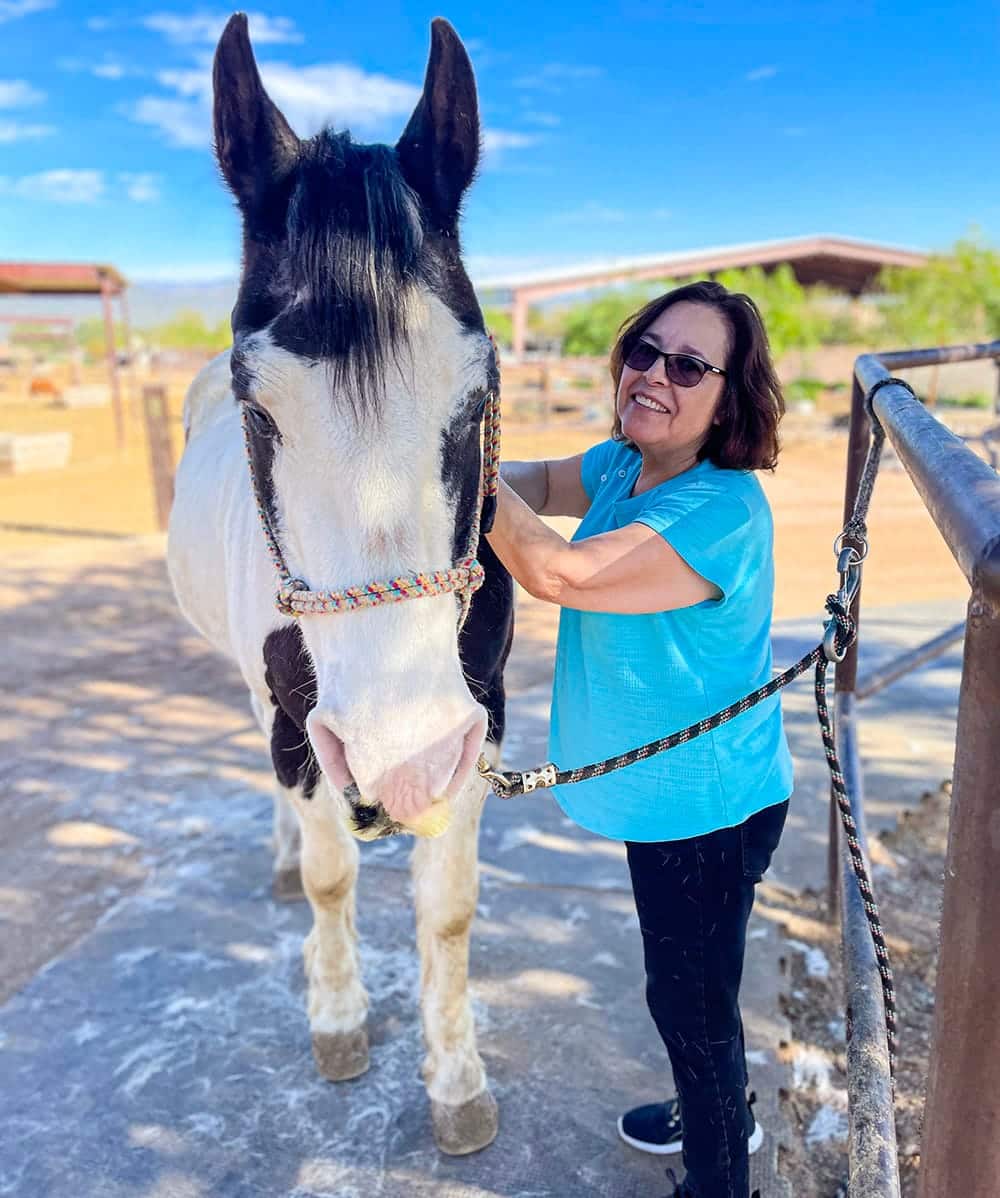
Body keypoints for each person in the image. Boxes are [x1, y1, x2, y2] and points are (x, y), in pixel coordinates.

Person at [485, 280, 793, 1198]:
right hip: (667, 799)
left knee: (690, 1008)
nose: (655, 374)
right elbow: (536, 486)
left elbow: (558, 570)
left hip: (706, 811)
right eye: (646, 351)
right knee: (694, 996)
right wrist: (472, 466)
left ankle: (717, 1174)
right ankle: (722, 1110)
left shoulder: (719, 509)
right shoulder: (625, 465)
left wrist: (450, 462)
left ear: (728, 397)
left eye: (690, 365)